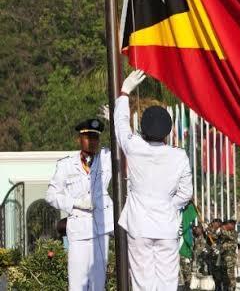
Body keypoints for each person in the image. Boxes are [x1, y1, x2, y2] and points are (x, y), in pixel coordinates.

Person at [114, 69, 193, 290]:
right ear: (167, 132)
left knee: (142, 284)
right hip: (166, 227)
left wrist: (124, 92)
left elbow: (120, 126)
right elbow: (186, 193)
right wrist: (168, 205)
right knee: (167, 284)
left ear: (143, 130)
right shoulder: (179, 156)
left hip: (139, 226)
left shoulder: (135, 147)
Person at [45, 118, 114, 291]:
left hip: (100, 230)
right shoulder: (66, 165)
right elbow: (51, 195)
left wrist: (113, 119)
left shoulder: (106, 158)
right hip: (79, 232)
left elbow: (124, 142)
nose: (92, 142)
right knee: (77, 284)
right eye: (88, 137)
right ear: (79, 139)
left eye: (95, 138)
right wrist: (75, 203)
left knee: (98, 284)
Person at [220, 220, 239, 290]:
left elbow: (229, 236)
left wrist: (223, 230)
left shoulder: (234, 233)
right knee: (225, 275)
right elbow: (216, 236)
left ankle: (232, 288)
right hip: (224, 257)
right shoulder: (225, 233)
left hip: (230, 258)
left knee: (230, 275)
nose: (227, 226)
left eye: (229, 224)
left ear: (232, 225)